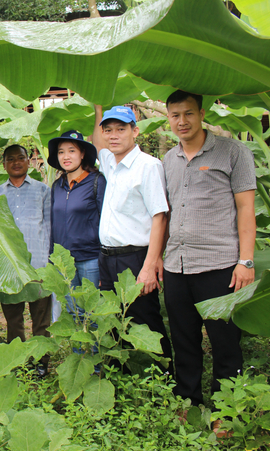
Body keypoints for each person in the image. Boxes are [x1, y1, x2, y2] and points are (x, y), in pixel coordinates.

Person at [162, 90, 256, 405]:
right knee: (184, 340)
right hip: (177, 265)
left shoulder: (232, 152)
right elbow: (168, 212)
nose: (182, 121)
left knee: (225, 342)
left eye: (188, 113)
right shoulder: (167, 160)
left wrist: (246, 261)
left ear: (202, 114)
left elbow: (246, 208)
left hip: (220, 266)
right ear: (168, 118)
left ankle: (227, 410)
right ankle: (188, 401)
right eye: (175, 115)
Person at [91, 105, 173, 368]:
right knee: (115, 318)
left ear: (135, 131)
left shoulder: (147, 166)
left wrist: (150, 265)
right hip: (108, 258)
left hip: (135, 257)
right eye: (109, 130)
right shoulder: (108, 162)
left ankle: (162, 379)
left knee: (145, 320)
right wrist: (97, 108)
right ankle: (125, 377)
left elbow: (159, 216)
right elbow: (96, 142)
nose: (113, 135)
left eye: (121, 129)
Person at [0, 144, 52, 377]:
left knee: (41, 319)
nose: (16, 162)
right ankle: (18, 361)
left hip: (38, 265)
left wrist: (50, 263)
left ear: (29, 161)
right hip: (9, 267)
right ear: (4, 164)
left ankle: (41, 362)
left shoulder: (43, 191)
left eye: (21, 158)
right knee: (13, 318)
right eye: (11, 159)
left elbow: (49, 227)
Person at [47, 130, 106, 358]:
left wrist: (103, 258)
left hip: (90, 258)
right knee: (72, 315)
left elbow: (104, 219)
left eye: (72, 150)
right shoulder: (57, 186)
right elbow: (54, 222)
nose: (66, 156)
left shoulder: (96, 181)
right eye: (61, 152)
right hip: (64, 263)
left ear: (82, 154)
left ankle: (96, 364)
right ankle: (78, 359)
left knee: (90, 312)